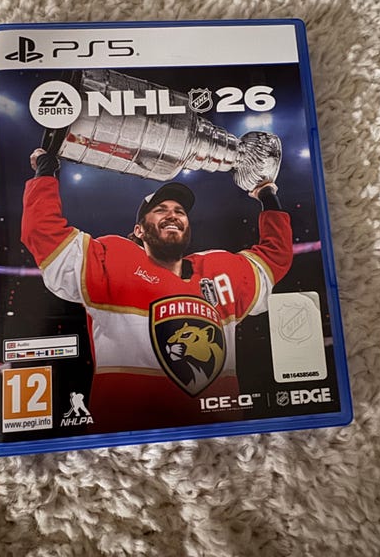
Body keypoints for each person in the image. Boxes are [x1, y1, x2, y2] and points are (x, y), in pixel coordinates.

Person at [21, 148, 293, 433]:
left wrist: (266, 194)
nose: (173, 215)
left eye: (180, 212)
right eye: (161, 210)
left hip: (216, 436)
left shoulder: (220, 271)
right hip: (125, 436)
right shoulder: (114, 260)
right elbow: (43, 232)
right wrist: (46, 172)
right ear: (139, 230)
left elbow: (274, 257)